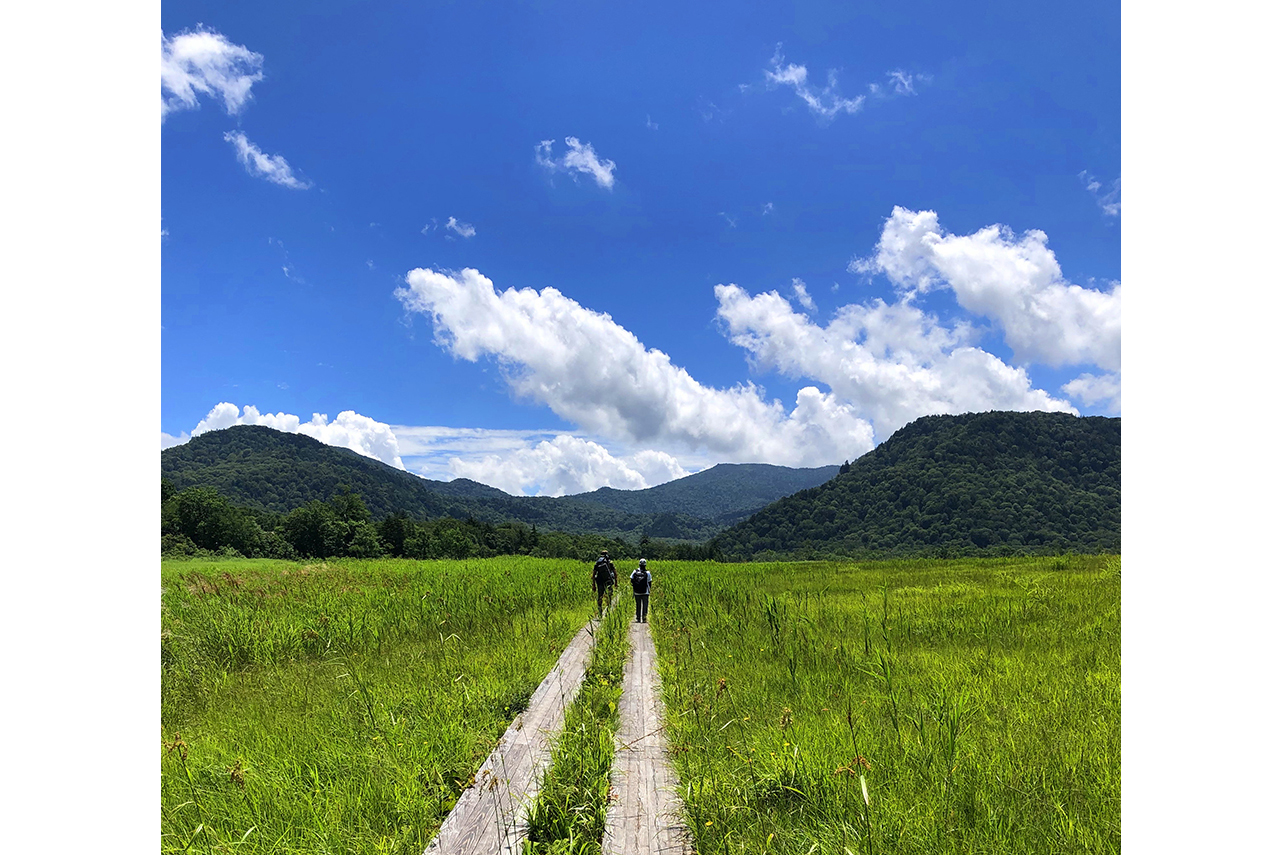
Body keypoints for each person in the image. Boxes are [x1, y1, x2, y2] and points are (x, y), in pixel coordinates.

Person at [592, 550, 616, 615]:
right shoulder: (610, 562)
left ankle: (600, 612)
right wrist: (616, 582)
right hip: (608, 581)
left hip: (600, 582)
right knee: (609, 596)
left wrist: (593, 585)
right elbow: (615, 573)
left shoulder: (597, 563)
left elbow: (593, 575)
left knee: (600, 596)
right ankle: (608, 611)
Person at [629, 558, 652, 623]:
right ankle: (644, 618)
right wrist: (649, 590)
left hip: (637, 592)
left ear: (639, 564)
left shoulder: (635, 571)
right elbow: (649, 582)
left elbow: (631, 580)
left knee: (638, 605)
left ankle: (638, 618)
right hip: (645, 592)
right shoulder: (647, 573)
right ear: (645, 565)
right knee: (645, 605)